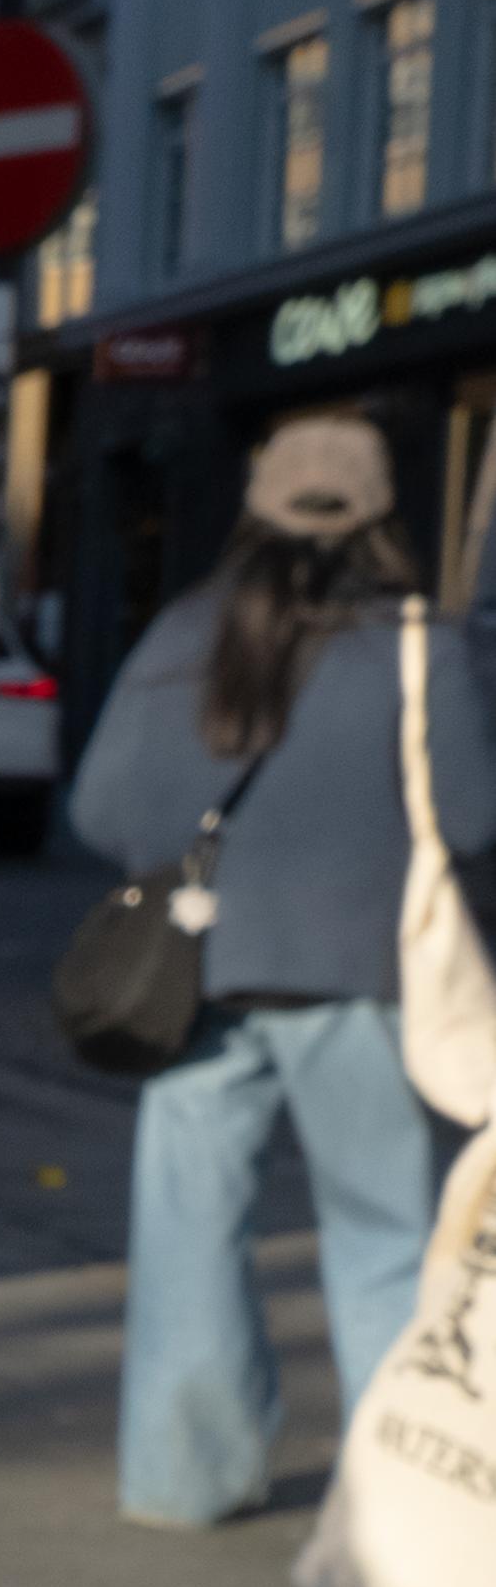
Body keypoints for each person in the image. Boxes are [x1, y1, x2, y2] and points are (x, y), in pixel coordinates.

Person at [68, 408, 496, 1530]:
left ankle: (179, 1474)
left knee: (185, 1236)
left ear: (254, 509)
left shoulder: (180, 637)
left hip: (194, 979)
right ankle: (391, 1494)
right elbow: (471, 815)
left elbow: (98, 806)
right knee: (379, 1235)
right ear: (380, 518)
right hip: (355, 977)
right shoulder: (419, 645)